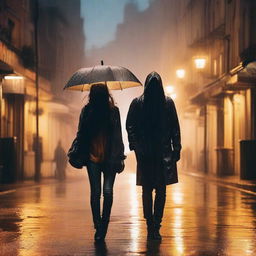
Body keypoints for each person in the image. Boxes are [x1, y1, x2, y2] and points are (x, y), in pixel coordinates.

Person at [126, 71, 181, 240]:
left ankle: (154, 224)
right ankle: (153, 224)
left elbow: (174, 127)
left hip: (158, 152)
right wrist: (136, 145)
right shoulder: (142, 103)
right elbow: (130, 126)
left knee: (154, 190)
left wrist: (176, 148)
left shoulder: (162, 103)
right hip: (151, 153)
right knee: (152, 190)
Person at [68, 83, 126, 241]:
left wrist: (120, 155)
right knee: (97, 193)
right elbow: (81, 133)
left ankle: (102, 225)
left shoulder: (113, 111)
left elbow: (118, 135)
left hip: (110, 158)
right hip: (92, 157)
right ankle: (98, 225)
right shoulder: (87, 111)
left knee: (105, 192)